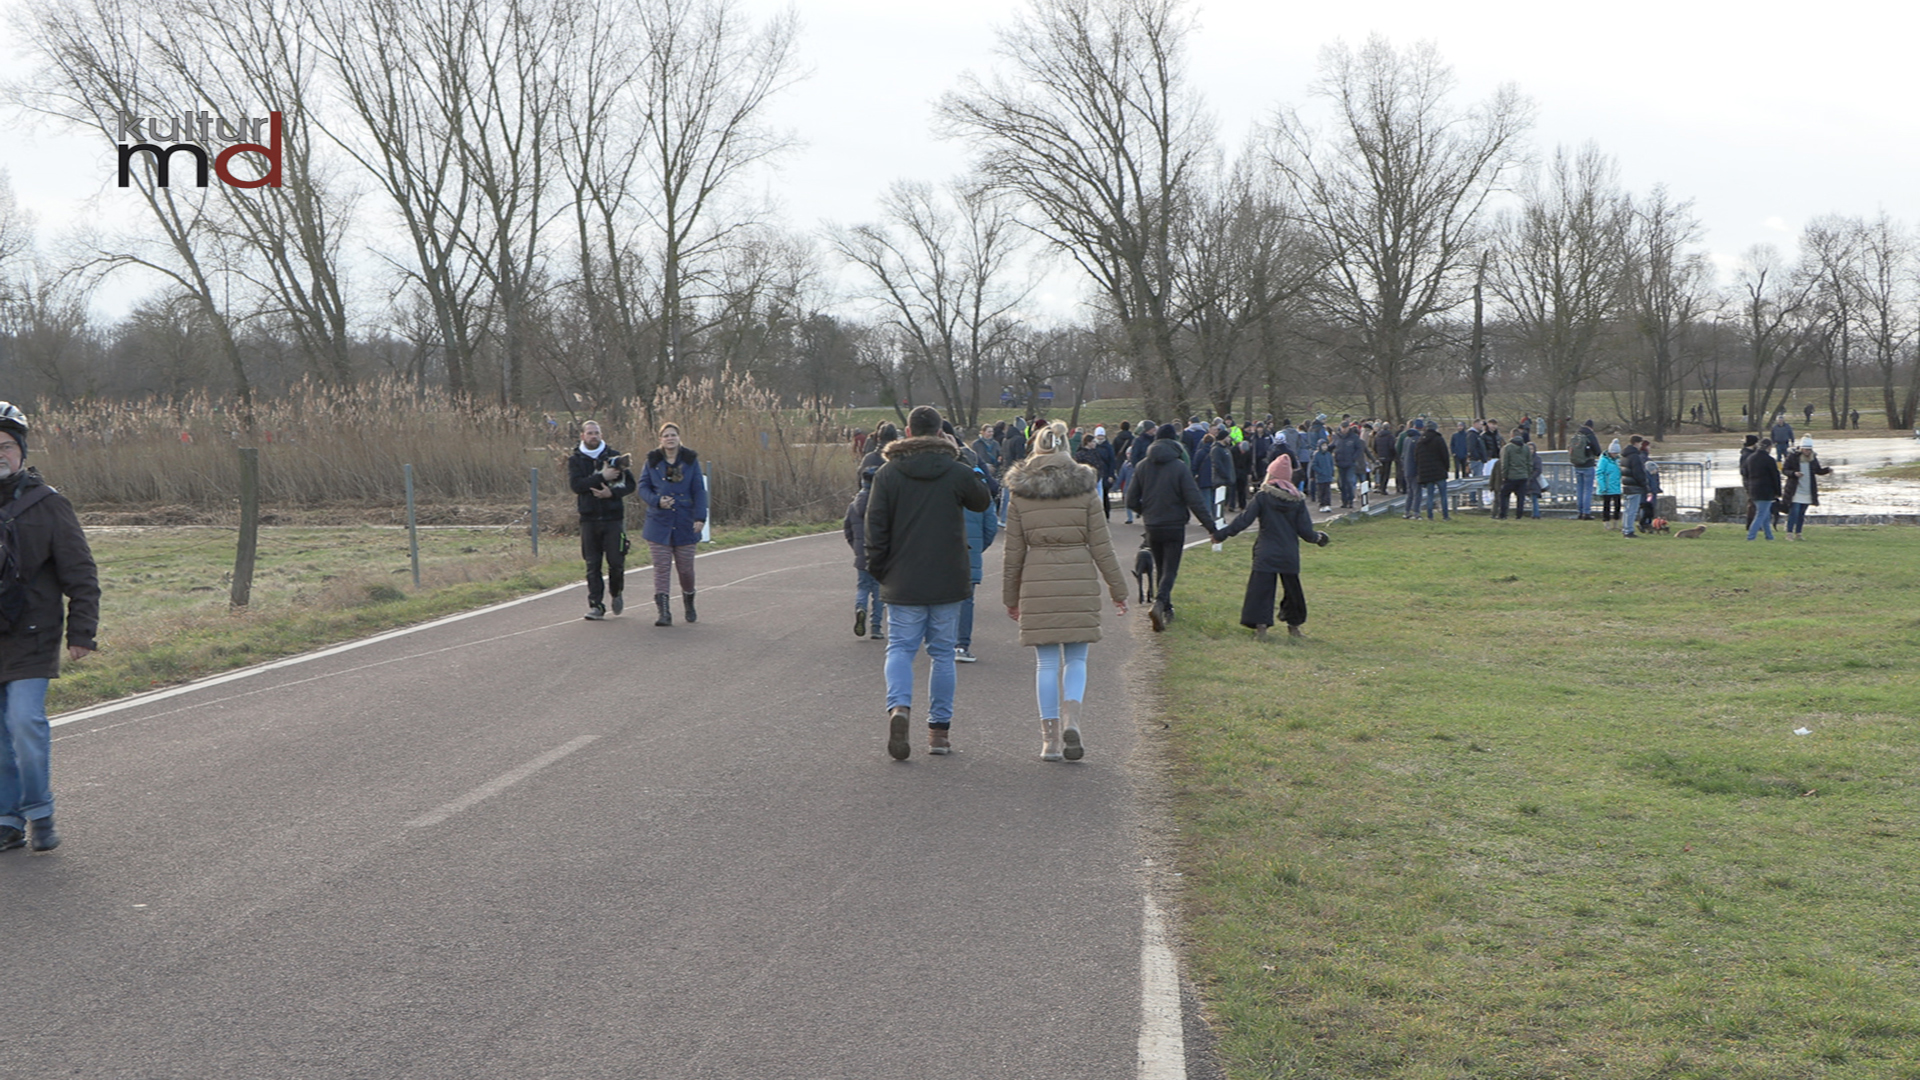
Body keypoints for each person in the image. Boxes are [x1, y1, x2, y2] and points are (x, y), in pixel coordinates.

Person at [866, 405, 993, 759]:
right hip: (947, 577)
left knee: (900, 650)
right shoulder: (955, 472)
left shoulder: (888, 474)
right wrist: (965, 456)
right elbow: (983, 500)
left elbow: (874, 528)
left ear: (908, 432)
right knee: (942, 655)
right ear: (940, 433)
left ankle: (899, 709)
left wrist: (880, 571)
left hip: (902, 577)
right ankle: (939, 733)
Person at [0, 402, 99, 854]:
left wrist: (82, 630)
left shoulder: (49, 504)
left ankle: (39, 811)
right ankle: (7, 819)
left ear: (20, 450)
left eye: (4, 446)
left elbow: (80, 571)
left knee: (24, 722)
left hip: (33, 634)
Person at [1000, 421, 1128, 761]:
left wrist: (1010, 598)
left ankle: (1050, 740)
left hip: (1037, 577)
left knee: (1045, 664)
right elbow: (1103, 546)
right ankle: (1073, 720)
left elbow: (1013, 553)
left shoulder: (1020, 492)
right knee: (1076, 658)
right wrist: (1118, 590)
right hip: (1078, 576)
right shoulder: (1085, 489)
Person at [1215, 455, 1330, 642]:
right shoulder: (1297, 501)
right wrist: (1319, 538)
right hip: (1289, 553)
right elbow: (1306, 531)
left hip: (1265, 552)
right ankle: (1294, 627)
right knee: (1293, 592)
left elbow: (1244, 521)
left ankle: (1261, 628)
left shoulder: (1263, 497)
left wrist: (1222, 534)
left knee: (1260, 591)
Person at [1126, 424, 1219, 632]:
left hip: (1152, 525)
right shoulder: (1179, 467)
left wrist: (1145, 510)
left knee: (1160, 566)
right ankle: (1160, 604)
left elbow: (1130, 499)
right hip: (1174, 524)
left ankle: (1166, 607)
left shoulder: (1142, 466)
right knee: (1170, 569)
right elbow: (1194, 500)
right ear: (1174, 442)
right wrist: (1211, 527)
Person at [637, 423, 708, 627]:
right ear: (660, 439)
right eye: (666, 435)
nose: (670, 438)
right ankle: (664, 612)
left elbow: (699, 491)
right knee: (661, 567)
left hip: (685, 520)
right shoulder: (652, 461)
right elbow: (643, 487)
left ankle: (689, 599)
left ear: (679, 438)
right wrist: (656, 500)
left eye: (673, 435)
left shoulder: (690, 461)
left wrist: (700, 518)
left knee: (685, 569)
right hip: (659, 521)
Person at [567, 420, 636, 620]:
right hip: (588, 519)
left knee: (616, 562)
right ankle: (596, 605)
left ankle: (616, 592)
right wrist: (602, 476)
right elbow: (576, 485)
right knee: (592, 564)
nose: (593, 436)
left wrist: (611, 494)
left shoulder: (614, 456)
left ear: (601, 434)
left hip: (613, 518)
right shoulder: (576, 460)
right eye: (589, 433)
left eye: (596, 432)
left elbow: (630, 485)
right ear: (582, 436)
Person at [843, 465, 885, 641]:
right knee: (878, 591)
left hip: (861, 554)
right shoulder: (882, 505)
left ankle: (860, 607)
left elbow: (848, 530)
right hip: (880, 554)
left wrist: (856, 548)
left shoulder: (853, 506)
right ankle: (876, 627)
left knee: (862, 586)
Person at [1781, 436, 1832, 540]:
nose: (1807, 452)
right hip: (1795, 490)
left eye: (1809, 450)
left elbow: (1817, 470)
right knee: (1794, 512)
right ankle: (1789, 533)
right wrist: (1794, 473)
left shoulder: (1813, 458)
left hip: (1807, 490)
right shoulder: (1793, 457)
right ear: (1801, 448)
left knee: (1801, 514)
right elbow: (1784, 470)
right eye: (1806, 449)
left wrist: (1827, 470)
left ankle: (1798, 533)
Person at [1745, 438, 1782, 540]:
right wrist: (1778, 492)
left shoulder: (1750, 458)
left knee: (1766, 515)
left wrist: (1748, 489)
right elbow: (1775, 477)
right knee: (1761, 514)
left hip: (1753, 490)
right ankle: (1751, 536)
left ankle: (1769, 536)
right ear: (1769, 447)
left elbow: (1746, 474)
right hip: (1765, 491)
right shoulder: (1769, 460)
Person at [1414, 420, 1451, 520]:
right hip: (1439, 471)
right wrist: (1446, 468)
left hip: (1427, 473)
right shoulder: (1438, 439)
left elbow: (1417, 457)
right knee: (1443, 495)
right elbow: (1445, 455)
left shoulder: (1420, 441)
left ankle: (1430, 516)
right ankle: (1445, 516)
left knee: (1430, 495)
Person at [1568, 420, 1601, 520]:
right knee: (1588, 490)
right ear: (1591, 427)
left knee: (1579, 489)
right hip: (1588, 465)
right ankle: (1586, 513)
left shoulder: (1576, 435)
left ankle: (1580, 511)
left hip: (1577, 465)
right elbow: (1598, 451)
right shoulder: (1590, 435)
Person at [1495, 433, 1532, 520]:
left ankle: (1503, 514)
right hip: (1523, 476)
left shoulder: (1507, 448)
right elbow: (1529, 463)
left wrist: (1504, 475)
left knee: (1504, 495)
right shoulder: (1526, 448)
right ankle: (1519, 515)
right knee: (1520, 497)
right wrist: (1528, 474)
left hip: (1511, 476)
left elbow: (1505, 463)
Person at [1596, 441, 1623, 529]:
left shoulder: (1617, 460)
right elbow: (1600, 473)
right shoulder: (1603, 460)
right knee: (1606, 506)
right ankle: (1606, 523)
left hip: (1616, 486)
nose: (1615, 454)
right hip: (1607, 487)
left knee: (1617, 505)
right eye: (1614, 452)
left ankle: (1615, 523)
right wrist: (1602, 486)